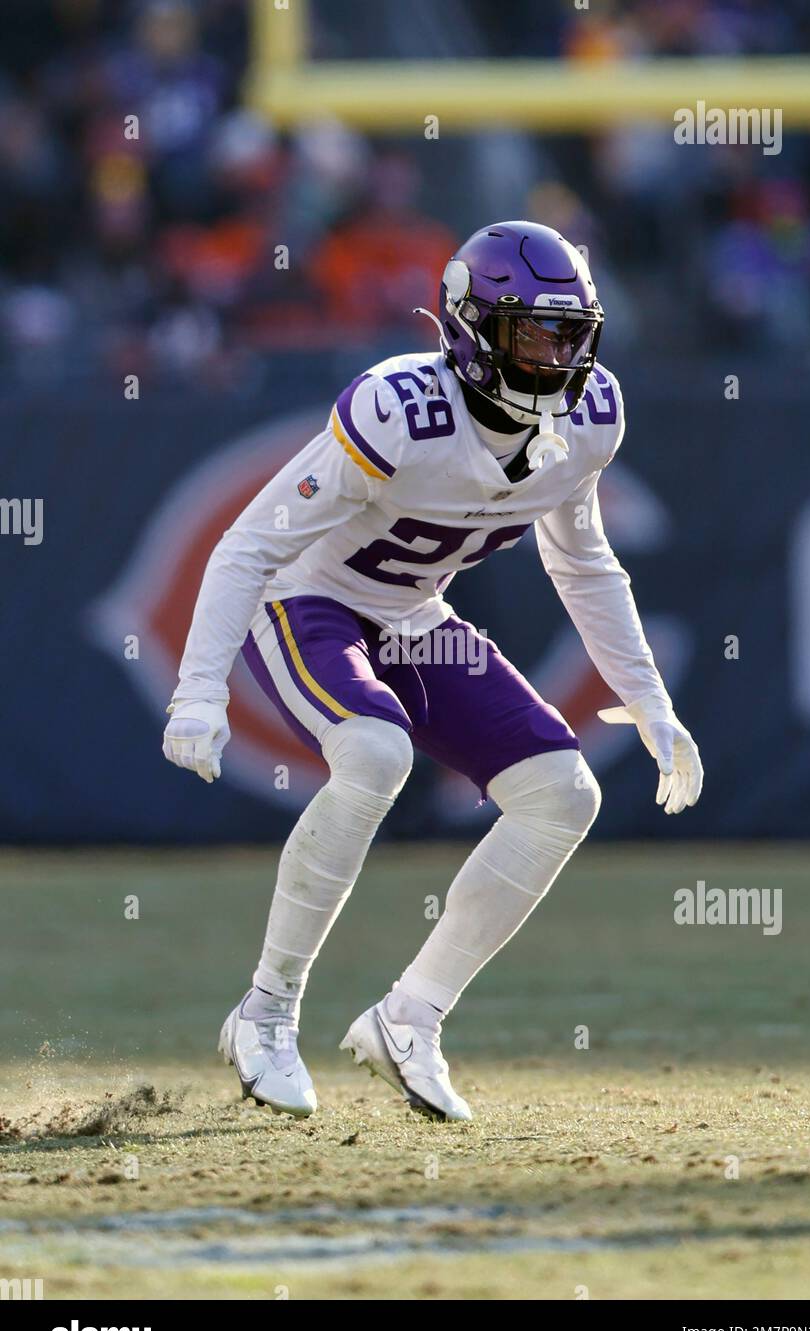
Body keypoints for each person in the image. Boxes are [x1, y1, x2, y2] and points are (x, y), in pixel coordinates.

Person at [163, 220, 703, 1122]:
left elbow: (583, 562)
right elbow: (249, 546)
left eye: (570, 333)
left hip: (415, 617)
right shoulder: (400, 409)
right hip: (310, 601)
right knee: (375, 757)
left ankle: (410, 1017)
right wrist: (198, 690)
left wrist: (648, 698)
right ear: (471, 329)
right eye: (533, 331)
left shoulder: (590, 415)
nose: (555, 355)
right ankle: (265, 1012)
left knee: (564, 795)